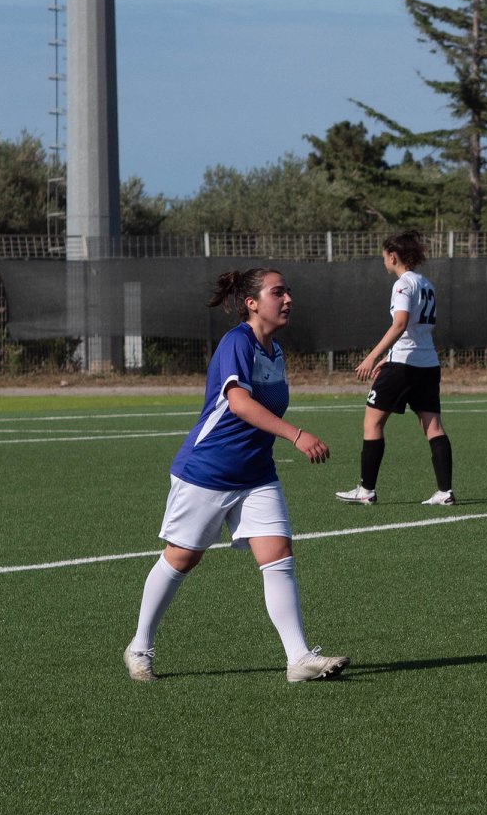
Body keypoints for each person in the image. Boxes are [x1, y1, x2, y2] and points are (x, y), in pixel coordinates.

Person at [124, 268, 348, 684]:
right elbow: (239, 403)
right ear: (251, 303)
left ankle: (298, 657)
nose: (287, 299)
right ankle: (139, 646)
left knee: (278, 556)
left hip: (257, 473)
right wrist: (296, 434)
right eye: (277, 292)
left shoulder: (275, 351)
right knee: (182, 558)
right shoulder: (236, 342)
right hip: (208, 470)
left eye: (288, 292)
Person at [337, 231, 454, 505]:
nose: (383, 262)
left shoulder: (403, 285)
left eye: (384, 257)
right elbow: (417, 330)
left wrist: (372, 356)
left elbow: (400, 323)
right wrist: (387, 358)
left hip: (404, 365)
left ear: (393, 256)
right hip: (427, 364)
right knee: (433, 426)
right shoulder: (427, 284)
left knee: (372, 421)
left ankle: (366, 490)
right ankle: (445, 492)